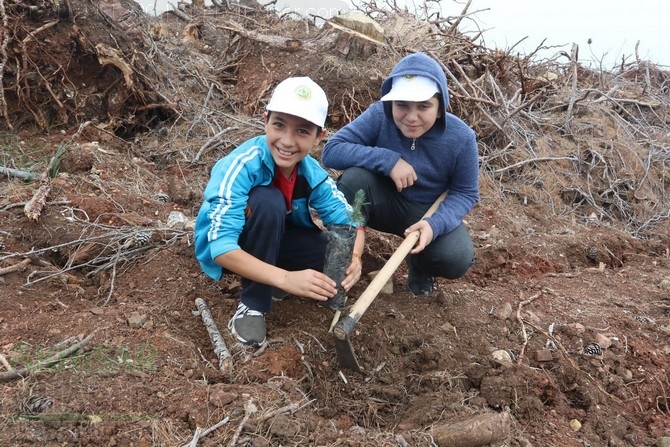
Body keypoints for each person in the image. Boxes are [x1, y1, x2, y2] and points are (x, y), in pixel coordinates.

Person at [194, 76, 365, 347]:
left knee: (333, 255)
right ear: (265, 120)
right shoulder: (241, 165)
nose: (287, 141)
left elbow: (353, 220)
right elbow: (220, 246)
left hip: (278, 238)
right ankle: (253, 304)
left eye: (302, 131)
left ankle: (273, 276)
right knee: (268, 201)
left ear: (319, 137)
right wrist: (286, 278)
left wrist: (354, 256)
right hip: (237, 244)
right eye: (279, 125)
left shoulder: (311, 173)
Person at [321, 52, 479, 296]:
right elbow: (332, 151)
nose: (411, 117)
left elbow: (465, 193)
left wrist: (434, 224)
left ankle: (420, 266)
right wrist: (388, 160)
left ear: (439, 108)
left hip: (425, 212)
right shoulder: (379, 115)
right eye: (402, 105)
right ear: (390, 103)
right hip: (381, 202)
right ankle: (343, 260)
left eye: (424, 106)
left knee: (455, 257)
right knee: (354, 181)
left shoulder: (461, 138)